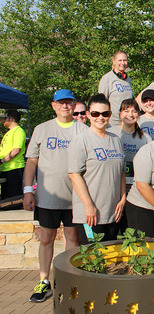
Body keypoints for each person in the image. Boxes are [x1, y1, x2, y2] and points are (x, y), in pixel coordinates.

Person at [24, 89, 88, 303]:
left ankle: (67, 279)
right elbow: (31, 161)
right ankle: (44, 282)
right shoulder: (42, 129)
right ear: (53, 105)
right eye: (61, 103)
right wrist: (27, 191)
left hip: (74, 198)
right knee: (46, 239)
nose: (65, 106)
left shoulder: (83, 129)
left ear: (74, 105)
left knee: (72, 238)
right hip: (47, 197)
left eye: (69, 102)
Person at [68, 94, 126, 243]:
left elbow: (121, 173)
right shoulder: (81, 140)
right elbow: (74, 175)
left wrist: (122, 198)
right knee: (94, 257)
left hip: (113, 212)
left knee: (110, 256)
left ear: (110, 115)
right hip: (90, 214)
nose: (100, 117)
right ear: (88, 115)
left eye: (105, 113)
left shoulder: (116, 140)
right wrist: (88, 205)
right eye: (95, 113)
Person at [107, 99, 151, 231]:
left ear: (138, 114)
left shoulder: (146, 138)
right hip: (114, 186)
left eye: (134, 111)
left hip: (136, 188)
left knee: (132, 228)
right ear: (120, 113)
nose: (130, 114)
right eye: (126, 111)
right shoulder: (111, 134)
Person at [98, 50, 134, 126]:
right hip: (113, 123)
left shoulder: (128, 80)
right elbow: (101, 102)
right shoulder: (107, 78)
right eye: (120, 60)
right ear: (113, 61)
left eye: (125, 60)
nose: (123, 63)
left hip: (127, 121)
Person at [0, 110, 26, 199]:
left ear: (10, 119)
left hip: (14, 168)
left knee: (14, 198)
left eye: (5, 118)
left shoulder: (18, 131)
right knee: (5, 198)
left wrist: (1, 161)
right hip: (6, 168)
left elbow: (16, 150)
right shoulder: (9, 132)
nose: (3, 120)